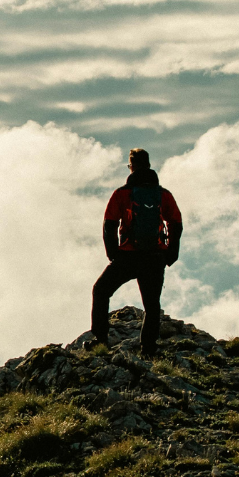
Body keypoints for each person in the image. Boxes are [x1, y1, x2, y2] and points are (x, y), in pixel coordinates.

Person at [88, 148, 182, 357]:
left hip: (128, 256)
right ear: (148, 165)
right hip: (155, 257)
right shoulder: (163, 194)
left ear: (131, 166)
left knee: (101, 291)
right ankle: (148, 349)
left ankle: (101, 339)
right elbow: (176, 223)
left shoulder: (122, 193)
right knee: (151, 304)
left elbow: (109, 224)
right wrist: (171, 254)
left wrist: (113, 253)